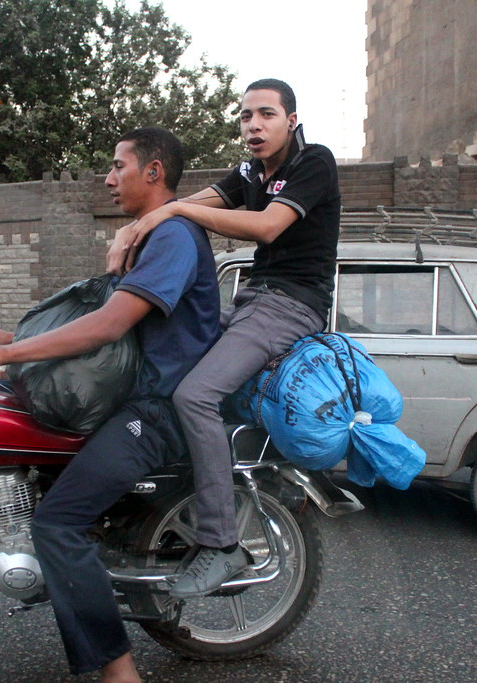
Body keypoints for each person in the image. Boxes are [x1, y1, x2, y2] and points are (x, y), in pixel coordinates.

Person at [0, 128, 220, 682]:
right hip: (131, 395)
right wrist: (0, 338)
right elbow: (95, 325)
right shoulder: (150, 236)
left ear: (154, 171)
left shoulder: (174, 237)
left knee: (57, 523)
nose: (109, 177)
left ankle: (119, 673)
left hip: (156, 409)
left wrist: (6, 352)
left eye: (119, 166)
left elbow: (109, 326)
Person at [108, 79, 341, 598]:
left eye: (266, 114)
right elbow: (186, 201)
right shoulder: (250, 172)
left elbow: (266, 227)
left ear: (291, 121)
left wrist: (171, 211)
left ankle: (221, 542)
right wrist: (137, 225)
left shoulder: (314, 162)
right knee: (166, 361)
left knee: (196, 395)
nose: (253, 125)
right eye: (245, 116)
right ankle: (159, 495)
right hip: (252, 298)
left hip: (291, 305)